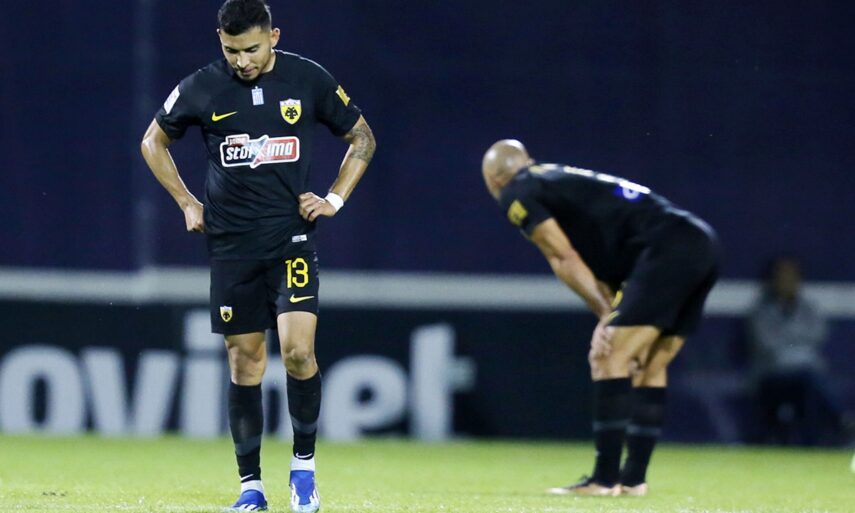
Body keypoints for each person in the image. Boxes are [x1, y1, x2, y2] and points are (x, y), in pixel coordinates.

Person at [140, 1, 375, 511]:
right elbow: (153, 142)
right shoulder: (202, 86)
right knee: (244, 361)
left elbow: (362, 136)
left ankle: (304, 469)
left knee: (298, 352)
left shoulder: (307, 78)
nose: (242, 61)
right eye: (231, 50)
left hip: (291, 239)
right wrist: (186, 202)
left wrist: (334, 199)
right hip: (231, 245)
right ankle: (251, 487)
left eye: (250, 49)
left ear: (273, 36)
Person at [482, 140, 719, 497]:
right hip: (699, 242)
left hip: (665, 249)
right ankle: (633, 480)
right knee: (648, 364)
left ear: (494, 179)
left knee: (608, 356)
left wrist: (606, 316)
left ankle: (603, 480)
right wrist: (611, 311)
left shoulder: (517, 190)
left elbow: (562, 256)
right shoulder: (558, 179)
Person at [747, 256, 844, 445]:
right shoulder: (761, 310)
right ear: (773, 280)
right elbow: (768, 345)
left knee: (808, 384)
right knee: (809, 380)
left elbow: (818, 335)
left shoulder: (809, 308)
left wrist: (788, 341)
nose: (787, 281)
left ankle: (812, 441)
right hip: (772, 377)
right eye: (782, 276)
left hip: (805, 377)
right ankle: (839, 420)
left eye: (792, 276)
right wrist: (799, 346)